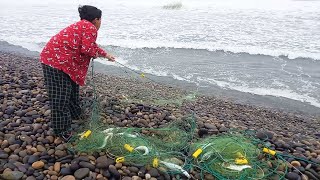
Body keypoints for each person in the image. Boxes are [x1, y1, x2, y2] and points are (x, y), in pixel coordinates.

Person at [40, 5, 115, 141]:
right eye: (100, 19)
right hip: (56, 63)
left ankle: (75, 114)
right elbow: (88, 49)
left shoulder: (82, 26)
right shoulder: (90, 27)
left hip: (60, 61)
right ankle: (61, 130)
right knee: (60, 97)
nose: (100, 23)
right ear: (96, 19)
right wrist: (95, 54)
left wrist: (106, 55)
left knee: (72, 89)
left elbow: (91, 45)